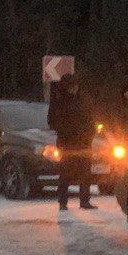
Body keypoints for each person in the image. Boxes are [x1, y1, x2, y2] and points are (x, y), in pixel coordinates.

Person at [47, 73, 97, 211]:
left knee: (85, 173)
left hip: (84, 142)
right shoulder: (59, 101)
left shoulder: (83, 99)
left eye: (75, 86)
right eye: (71, 87)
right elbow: (52, 121)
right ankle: (63, 202)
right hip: (67, 143)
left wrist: (90, 134)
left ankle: (85, 201)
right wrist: (66, 132)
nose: (74, 89)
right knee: (66, 173)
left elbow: (91, 119)